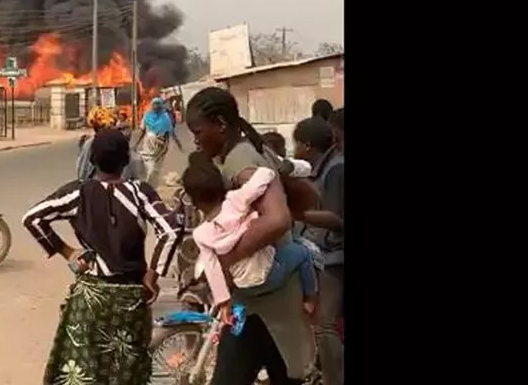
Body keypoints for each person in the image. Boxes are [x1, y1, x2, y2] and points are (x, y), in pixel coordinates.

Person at [22, 128, 183, 384]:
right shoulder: (140, 192)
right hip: (131, 296)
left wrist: (68, 252)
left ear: (92, 160)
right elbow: (171, 230)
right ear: (127, 160)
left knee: (85, 371)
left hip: (90, 300)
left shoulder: (77, 193)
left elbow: (32, 219)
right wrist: (152, 276)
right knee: (126, 371)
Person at [184, 86, 319, 385]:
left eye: (197, 130)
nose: (194, 139)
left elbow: (278, 218)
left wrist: (225, 258)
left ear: (220, 124)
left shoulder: (239, 161)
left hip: (264, 293)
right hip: (268, 295)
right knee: (281, 371)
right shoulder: (249, 150)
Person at [179, 152, 318, 315]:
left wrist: (224, 303)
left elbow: (213, 270)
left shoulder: (201, 234)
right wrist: (242, 178)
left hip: (243, 286)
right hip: (269, 275)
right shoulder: (235, 201)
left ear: (194, 202)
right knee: (303, 252)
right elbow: (265, 174)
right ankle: (310, 298)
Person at [292, 117, 344, 385]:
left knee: (324, 324)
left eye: (296, 143)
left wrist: (299, 213)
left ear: (306, 145)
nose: (294, 149)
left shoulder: (336, 169)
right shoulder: (326, 168)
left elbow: (337, 219)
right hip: (328, 253)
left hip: (336, 257)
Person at [133, 96, 184, 185]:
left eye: (158, 104)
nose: (156, 107)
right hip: (148, 146)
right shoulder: (147, 116)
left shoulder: (165, 118)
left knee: (155, 168)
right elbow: (142, 131)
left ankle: (151, 185)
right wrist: (136, 144)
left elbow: (170, 132)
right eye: (154, 104)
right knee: (149, 166)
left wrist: (178, 144)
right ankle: (148, 184)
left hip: (161, 147)